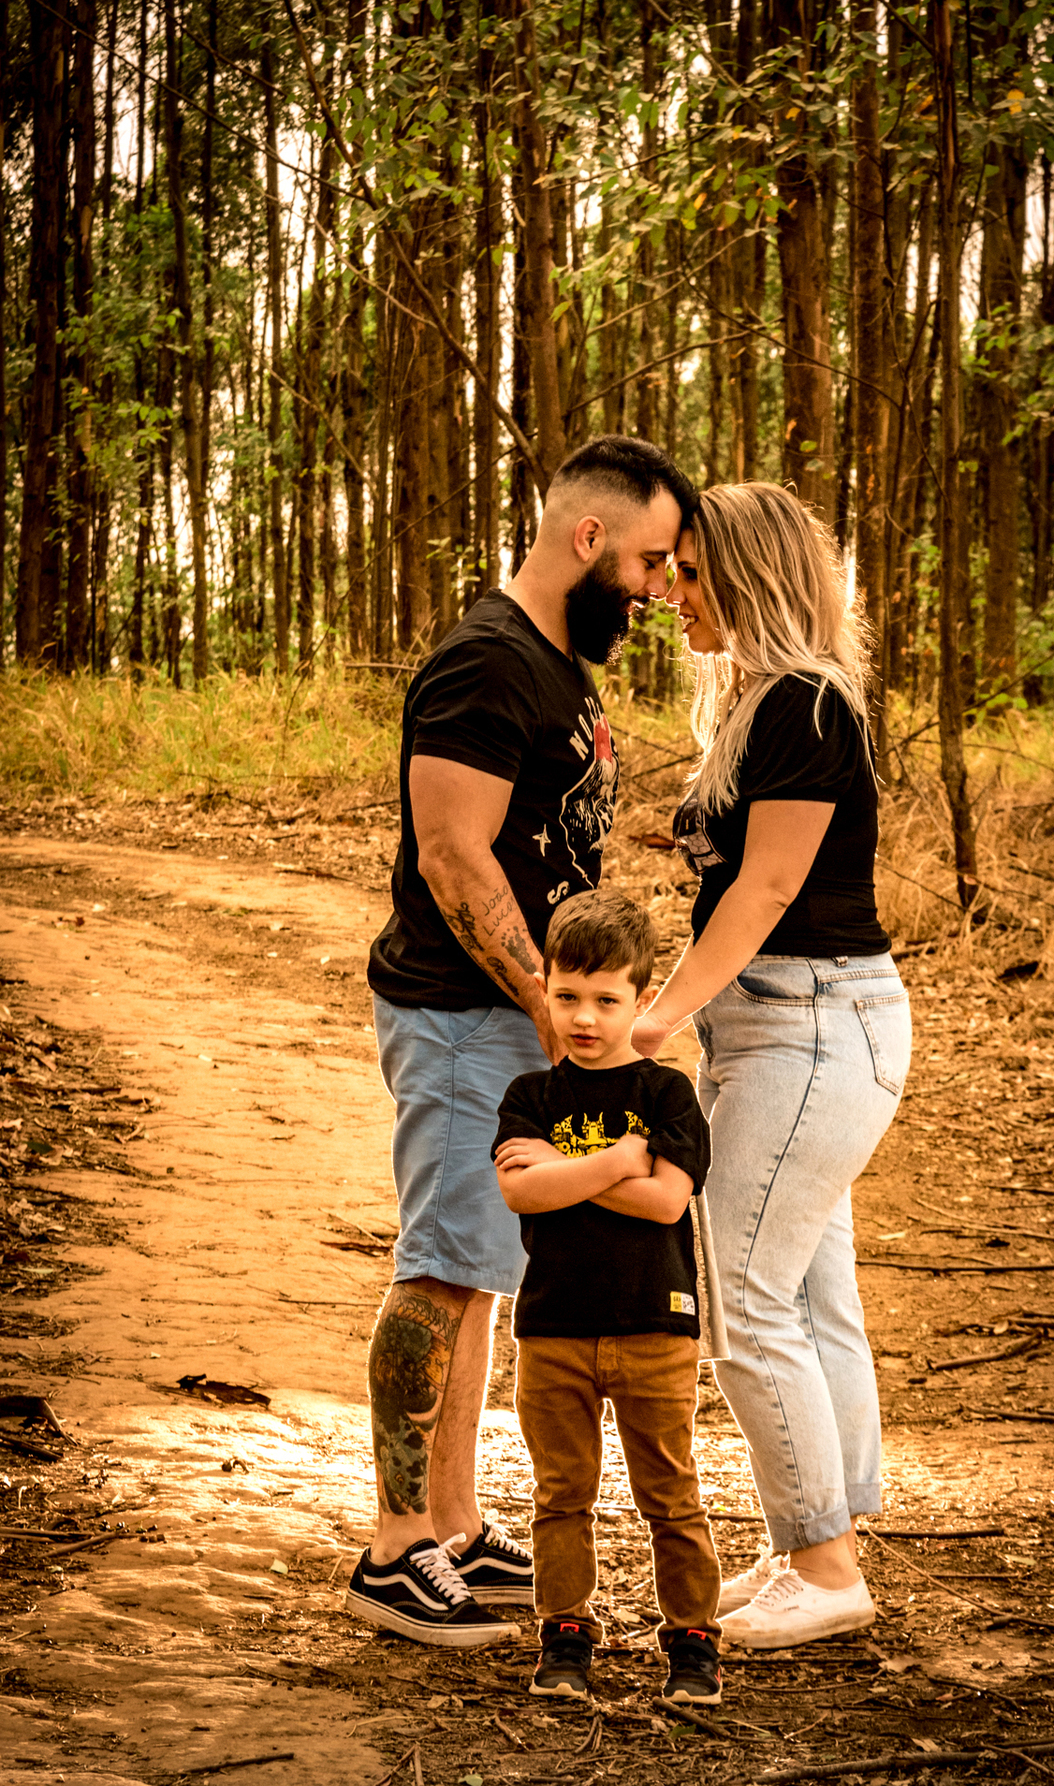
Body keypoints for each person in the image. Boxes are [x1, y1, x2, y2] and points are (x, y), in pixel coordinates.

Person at [345, 437, 697, 1648]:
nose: (655, 588)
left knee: (483, 1269)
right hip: (462, 1014)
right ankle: (393, 1549)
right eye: (647, 560)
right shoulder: (487, 662)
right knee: (439, 1267)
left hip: (512, 1017)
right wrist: (550, 1007)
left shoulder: (558, 666)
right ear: (587, 537)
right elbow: (452, 853)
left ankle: (450, 1525)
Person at [632, 481, 912, 1650]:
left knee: (745, 1299)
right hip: (788, 1029)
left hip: (809, 1026)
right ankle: (815, 1540)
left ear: (753, 575)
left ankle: (825, 1568)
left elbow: (768, 889)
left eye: (695, 573)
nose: (673, 594)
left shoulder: (804, 704)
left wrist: (655, 1017)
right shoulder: (764, 703)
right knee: (807, 1295)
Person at [493, 889, 723, 1703]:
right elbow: (520, 1192)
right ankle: (565, 1635)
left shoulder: (667, 1094)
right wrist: (622, 1158)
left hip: (655, 1325)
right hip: (552, 1327)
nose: (584, 1017)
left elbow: (666, 1201)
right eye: (566, 996)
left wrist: (565, 1170)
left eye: (606, 999)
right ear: (545, 989)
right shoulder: (529, 1095)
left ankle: (692, 1641)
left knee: (671, 1492)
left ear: (640, 997)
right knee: (561, 1494)